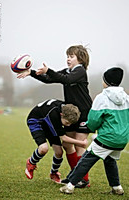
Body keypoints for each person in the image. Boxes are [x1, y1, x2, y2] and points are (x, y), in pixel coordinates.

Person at [17, 45, 93, 187]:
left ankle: (83, 179)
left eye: (71, 56)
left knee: (79, 146)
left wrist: (49, 70)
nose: (68, 59)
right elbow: (48, 78)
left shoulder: (80, 71)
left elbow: (66, 80)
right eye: (67, 56)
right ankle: (75, 176)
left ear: (80, 59)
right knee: (66, 144)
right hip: (70, 113)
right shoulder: (68, 71)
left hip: (84, 113)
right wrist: (31, 72)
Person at [59, 67, 129, 195]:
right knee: (109, 159)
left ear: (105, 81)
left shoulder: (102, 97)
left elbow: (93, 120)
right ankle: (117, 188)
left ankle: (69, 186)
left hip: (107, 137)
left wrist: (91, 128)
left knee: (86, 159)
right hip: (123, 138)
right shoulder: (126, 97)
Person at [25, 99, 88, 183]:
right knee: (43, 148)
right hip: (36, 122)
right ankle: (31, 162)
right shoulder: (53, 115)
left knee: (59, 152)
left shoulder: (66, 110)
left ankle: (53, 173)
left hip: (48, 123)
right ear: (61, 115)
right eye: (67, 122)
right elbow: (64, 138)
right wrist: (82, 143)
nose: (68, 125)